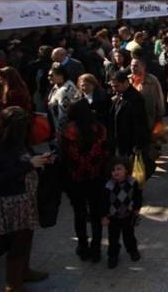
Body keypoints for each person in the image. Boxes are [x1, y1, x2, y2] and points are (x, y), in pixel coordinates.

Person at [0, 107, 52, 291]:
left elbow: (25, 155)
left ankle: (24, 272)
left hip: (24, 199)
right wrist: (28, 165)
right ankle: (13, 285)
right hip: (7, 203)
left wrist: (39, 158)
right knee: (16, 245)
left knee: (25, 239)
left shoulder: (14, 140)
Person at [61, 99, 109, 263]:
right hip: (96, 178)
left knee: (79, 214)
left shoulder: (69, 130)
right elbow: (106, 152)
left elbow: (64, 156)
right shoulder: (100, 129)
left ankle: (82, 246)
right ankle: (96, 249)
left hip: (75, 179)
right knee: (96, 214)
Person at [102, 156, 142, 268]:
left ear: (126, 170)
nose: (116, 172)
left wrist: (137, 208)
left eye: (119, 169)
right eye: (113, 170)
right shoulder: (108, 185)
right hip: (113, 217)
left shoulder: (132, 182)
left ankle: (132, 250)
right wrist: (104, 216)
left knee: (129, 235)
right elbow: (103, 202)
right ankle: (113, 256)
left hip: (128, 215)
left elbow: (137, 196)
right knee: (113, 238)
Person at [108, 69, 151, 157]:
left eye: (116, 86)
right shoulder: (119, 95)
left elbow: (139, 124)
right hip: (120, 141)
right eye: (112, 86)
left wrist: (137, 145)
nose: (114, 89)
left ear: (125, 83)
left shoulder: (136, 99)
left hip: (130, 143)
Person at [47, 64, 79, 134]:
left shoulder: (65, 90)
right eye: (48, 75)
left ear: (61, 75)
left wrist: (60, 133)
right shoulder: (57, 86)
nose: (48, 78)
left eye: (51, 75)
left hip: (66, 131)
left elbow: (64, 115)